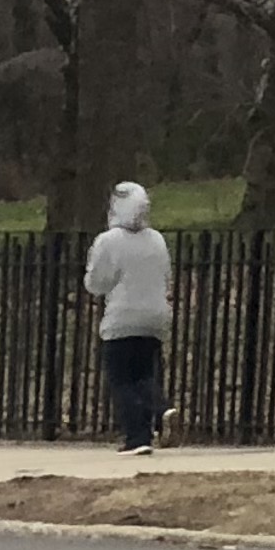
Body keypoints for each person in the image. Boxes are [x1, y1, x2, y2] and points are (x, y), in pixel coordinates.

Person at [83, 182, 172, 456]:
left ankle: (138, 436)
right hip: (156, 318)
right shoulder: (157, 239)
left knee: (121, 378)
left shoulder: (109, 241)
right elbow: (167, 275)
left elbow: (96, 282)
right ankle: (161, 408)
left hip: (122, 318)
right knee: (144, 374)